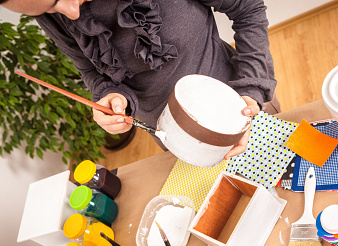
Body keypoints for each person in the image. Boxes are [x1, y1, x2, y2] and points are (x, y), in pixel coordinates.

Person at [1, 0, 279, 158]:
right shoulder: (54, 10)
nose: (71, 12)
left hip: (238, 105)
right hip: (171, 134)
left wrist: (252, 86)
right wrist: (111, 97)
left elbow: (248, 10)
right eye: (49, 10)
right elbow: (91, 71)